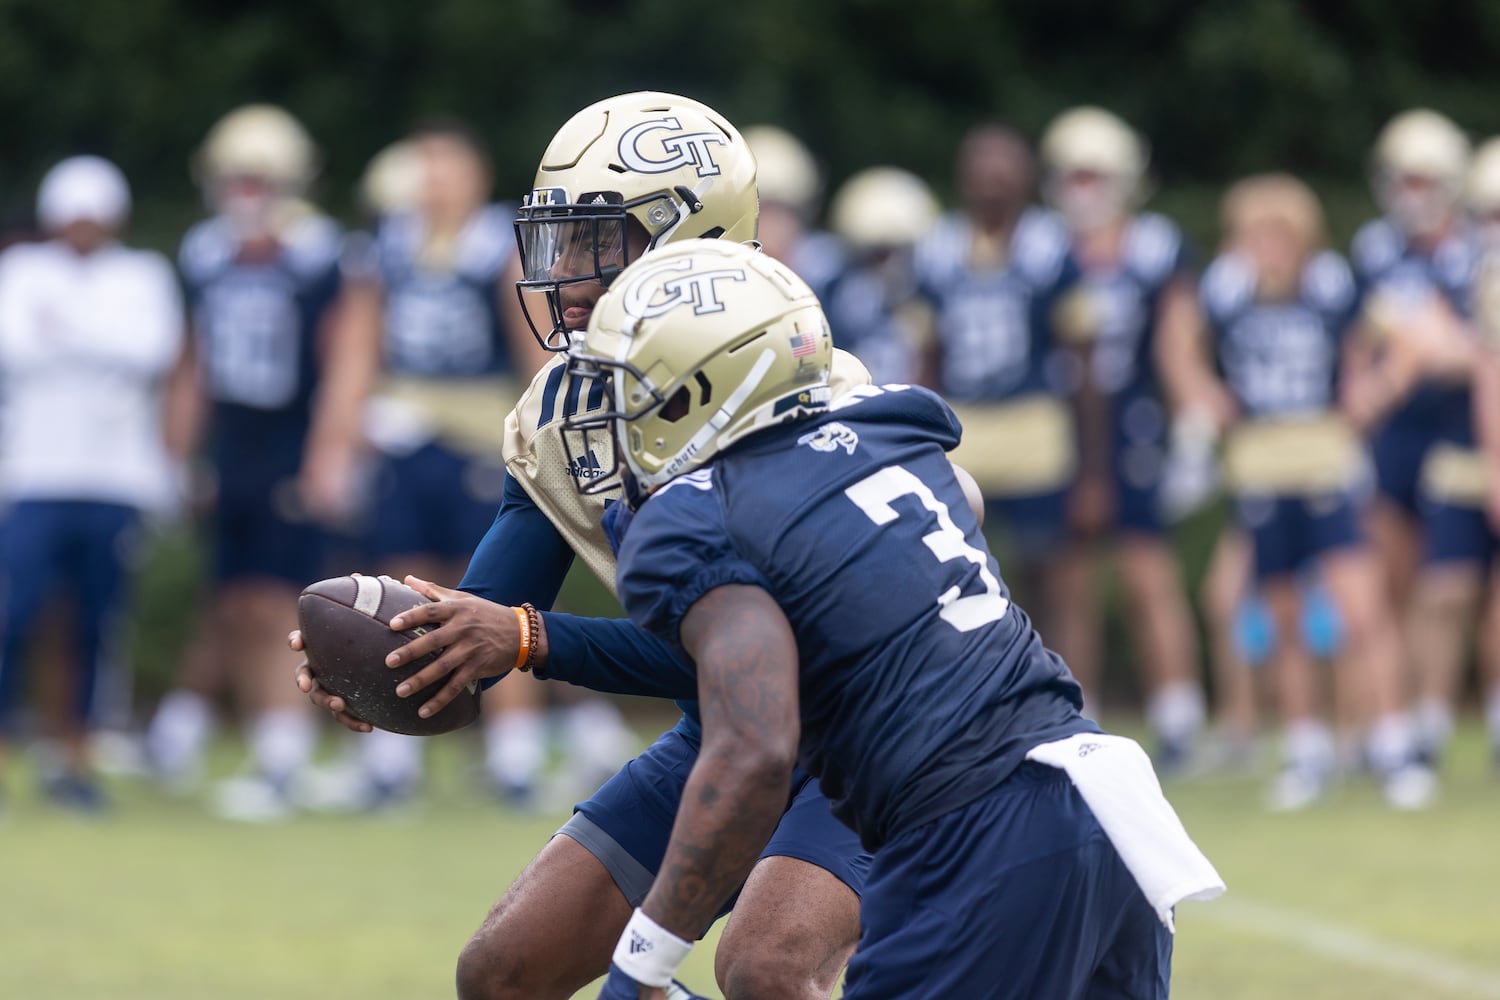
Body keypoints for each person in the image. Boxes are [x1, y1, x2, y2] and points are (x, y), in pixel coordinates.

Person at [293, 92, 875, 1000]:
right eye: (555, 241)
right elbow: (480, 633)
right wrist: (396, 666)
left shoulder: (797, 381)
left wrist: (525, 637)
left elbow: (775, 662)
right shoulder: (564, 410)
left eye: (594, 241)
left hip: (874, 733)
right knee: (503, 973)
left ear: (687, 241)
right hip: (725, 736)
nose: (563, 275)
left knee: (767, 967)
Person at [562, 238, 1222, 998]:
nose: (621, 414)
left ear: (714, 388)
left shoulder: (694, 514)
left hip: (973, 830)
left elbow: (754, 750)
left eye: (642, 390)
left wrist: (643, 958)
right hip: (1104, 798)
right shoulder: (889, 427)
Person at [298, 118, 625, 809]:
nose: (436, 180)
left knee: (496, 603)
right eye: (427, 165)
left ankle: (514, 756)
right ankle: (394, 756)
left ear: (476, 175)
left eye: (448, 165)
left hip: (481, 437)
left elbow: (537, 350)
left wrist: (556, 437)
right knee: (407, 590)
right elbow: (358, 352)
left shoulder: (497, 246)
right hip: (404, 439)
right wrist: (333, 444)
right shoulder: (387, 247)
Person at [1200, 174, 1432, 809]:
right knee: (1281, 615)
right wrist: (1204, 396)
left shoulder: (1333, 286)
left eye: (1278, 235)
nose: (1267, 247)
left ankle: (1393, 742)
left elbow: (1406, 342)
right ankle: (1307, 745)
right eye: (1255, 235)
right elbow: (1179, 350)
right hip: (1262, 463)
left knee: (1361, 607)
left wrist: (1372, 395)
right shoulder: (1226, 291)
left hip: (1324, 457)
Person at [144, 104, 343, 820]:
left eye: (259, 177)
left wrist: (330, 451)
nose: (247, 192)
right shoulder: (206, 253)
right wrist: (178, 455)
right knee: (230, 604)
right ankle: (255, 747)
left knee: (276, 605)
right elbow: (191, 363)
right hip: (231, 448)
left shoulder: (319, 254)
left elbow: (342, 358)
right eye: (237, 178)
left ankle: (282, 759)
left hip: (289, 446)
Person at [0, 156, 189, 811]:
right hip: (34, 474)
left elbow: (151, 351)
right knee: (15, 614)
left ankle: (73, 757)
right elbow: (16, 346)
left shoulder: (142, 273)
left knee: (94, 623)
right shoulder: (22, 271)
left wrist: (69, 336)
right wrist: (100, 343)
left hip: (116, 478)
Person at [1037, 107, 1208, 763]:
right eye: (1072, 175)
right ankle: (1081, 713)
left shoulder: (1156, 247)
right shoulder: (1044, 248)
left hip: (1134, 423)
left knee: (1146, 572)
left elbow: (1177, 341)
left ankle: (1178, 714)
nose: (1083, 189)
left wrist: (1191, 426)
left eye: (1094, 174)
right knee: (1070, 578)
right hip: (1064, 425)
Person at [913, 122, 1099, 698]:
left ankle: (1073, 695)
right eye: (982, 164)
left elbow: (1084, 364)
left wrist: (1093, 467)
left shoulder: (1052, 246)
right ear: (963, 177)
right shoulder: (938, 247)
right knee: (953, 576)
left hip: (1035, 423)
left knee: (1056, 576)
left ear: (1025, 176)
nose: (994, 177)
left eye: (1005, 164)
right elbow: (927, 359)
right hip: (963, 425)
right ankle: (975, 699)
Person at [1350, 109, 1483, 763]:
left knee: (1449, 587)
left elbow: (1470, 355)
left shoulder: (1476, 253)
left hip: (1458, 434)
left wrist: (1424, 350)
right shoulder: (1375, 249)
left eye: (1425, 178)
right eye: (1403, 178)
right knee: (1390, 584)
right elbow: (1362, 343)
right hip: (1394, 436)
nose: (1413, 193)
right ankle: (1393, 725)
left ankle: (1434, 720)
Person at [822, 166, 939, 385]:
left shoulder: (926, 298)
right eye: (878, 255)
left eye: (899, 252)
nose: (890, 265)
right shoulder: (835, 297)